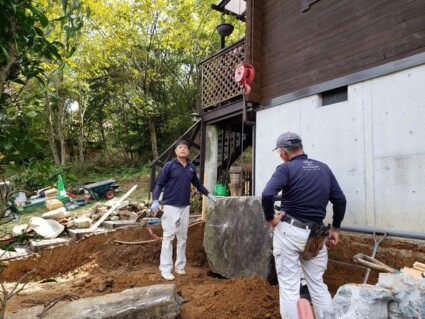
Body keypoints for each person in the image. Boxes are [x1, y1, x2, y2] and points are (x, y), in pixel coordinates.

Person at [262, 132, 346, 319]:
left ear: (283, 152)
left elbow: (268, 194)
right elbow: (340, 200)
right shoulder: (324, 168)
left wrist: (270, 219)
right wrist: (335, 229)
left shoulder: (286, 169)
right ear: (300, 147)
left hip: (290, 231)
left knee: (290, 287)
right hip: (317, 233)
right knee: (317, 283)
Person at [151, 139, 216, 281]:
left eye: (185, 147)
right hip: (170, 206)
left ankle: (180, 266)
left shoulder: (191, 168)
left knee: (182, 237)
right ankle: (165, 269)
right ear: (175, 151)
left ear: (188, 151)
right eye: (180, 147)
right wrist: (155, 200)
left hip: (185, 207)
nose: (182, 149)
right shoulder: (169, 166)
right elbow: (159, 183)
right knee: (168, 237)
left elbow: (198, 184)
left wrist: (209, 194)